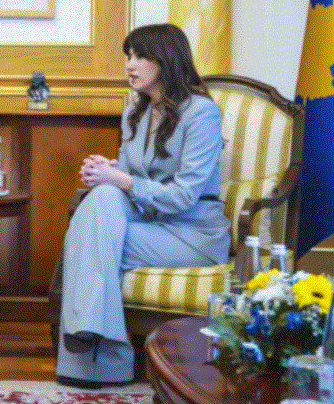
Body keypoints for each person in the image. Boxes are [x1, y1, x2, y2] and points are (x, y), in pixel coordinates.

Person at [50, 23, 230, 388]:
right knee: (100, 199)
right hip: (149, 223)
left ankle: (98, 353)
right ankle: (93, 338)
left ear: (166, 61)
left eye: (140, 57)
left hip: (192, 234)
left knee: (89, 238)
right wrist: (107, 171)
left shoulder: (202, 113)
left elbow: (183, 195)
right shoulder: (135, 112)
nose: (130, 65)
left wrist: (121, 180)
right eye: (128, 57)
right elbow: (131, 178)